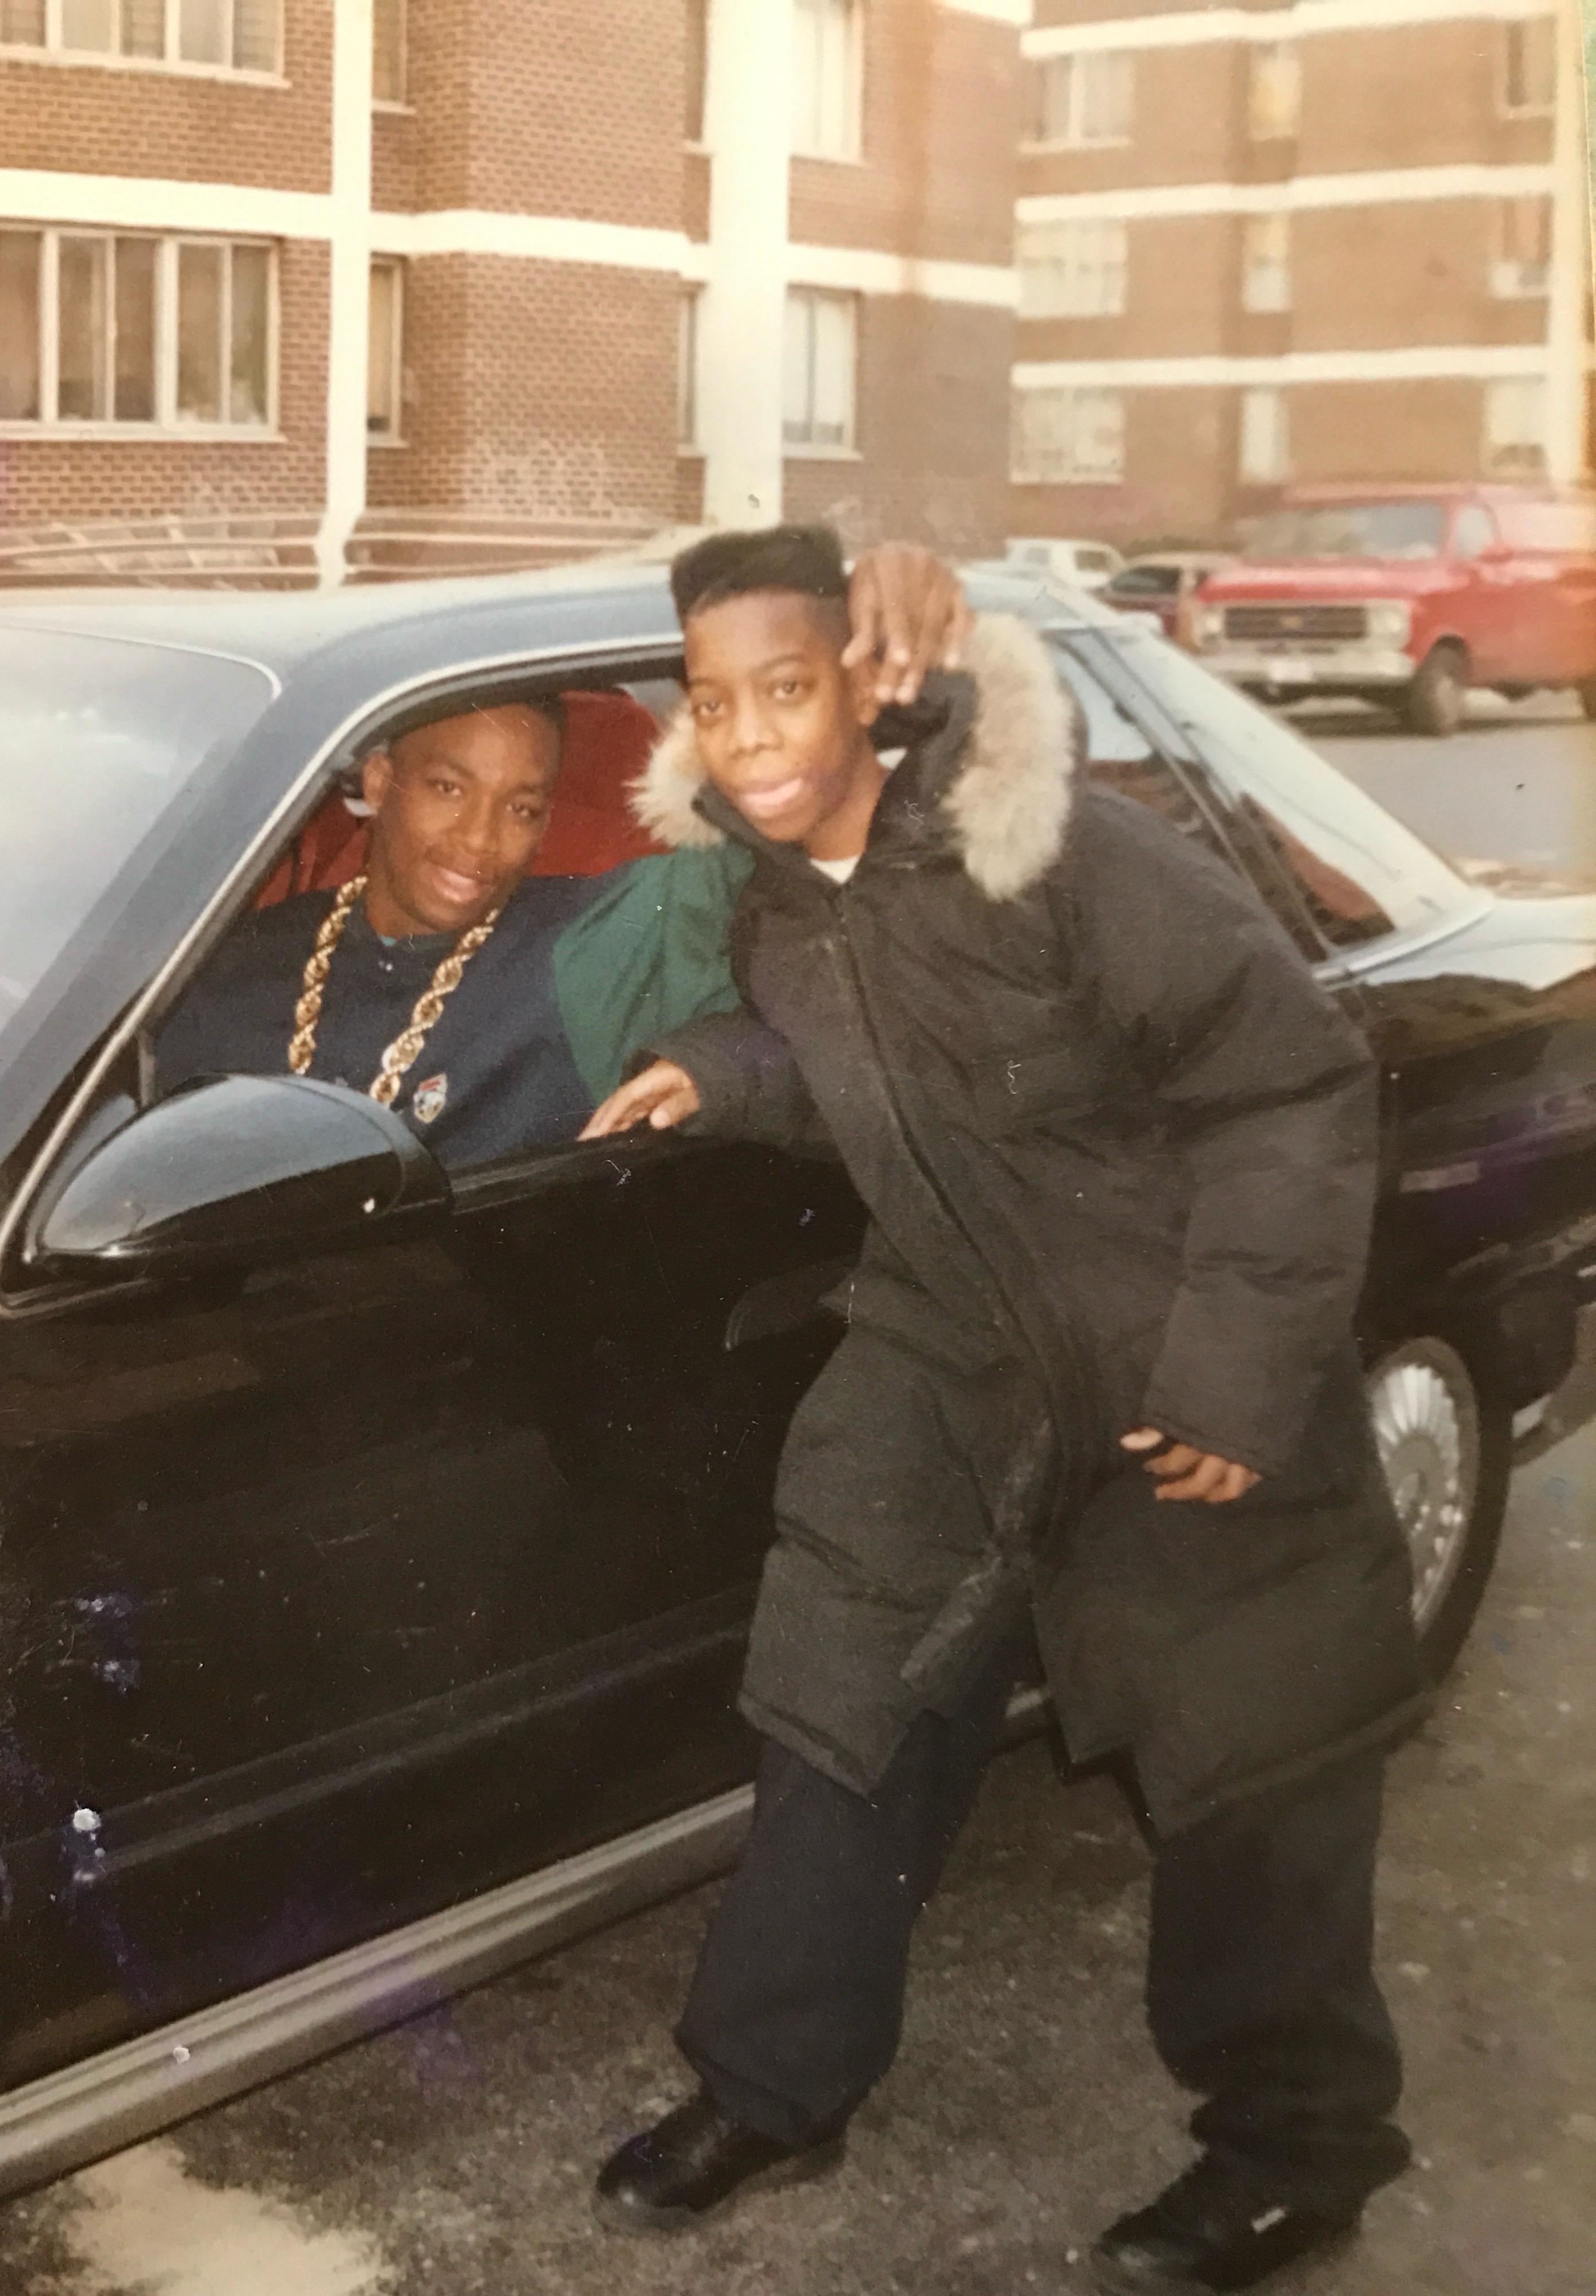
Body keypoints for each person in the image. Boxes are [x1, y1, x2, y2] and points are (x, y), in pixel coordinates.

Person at [581, 525, 1427, 2293]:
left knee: (1250, 1749)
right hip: (949, 1348)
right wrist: (722, 1071)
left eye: (786, 686)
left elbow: (1290, 1085)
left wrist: (1236, 1377)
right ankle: (774, 2085)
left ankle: (1299, 2151)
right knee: (842, 1696)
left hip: (1172, 1343)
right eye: (715, 701)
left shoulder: (1056, 852)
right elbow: (872, 1063)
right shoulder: (777, 897)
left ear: (865, 684)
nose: (748, 732)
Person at [154, 544, 971, 1166]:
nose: (481, 841)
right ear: (379, 780)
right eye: (447, 788)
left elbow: (828, 838)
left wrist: (883, 616)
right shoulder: (236, 949)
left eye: (523, 808)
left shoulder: (592, 942)